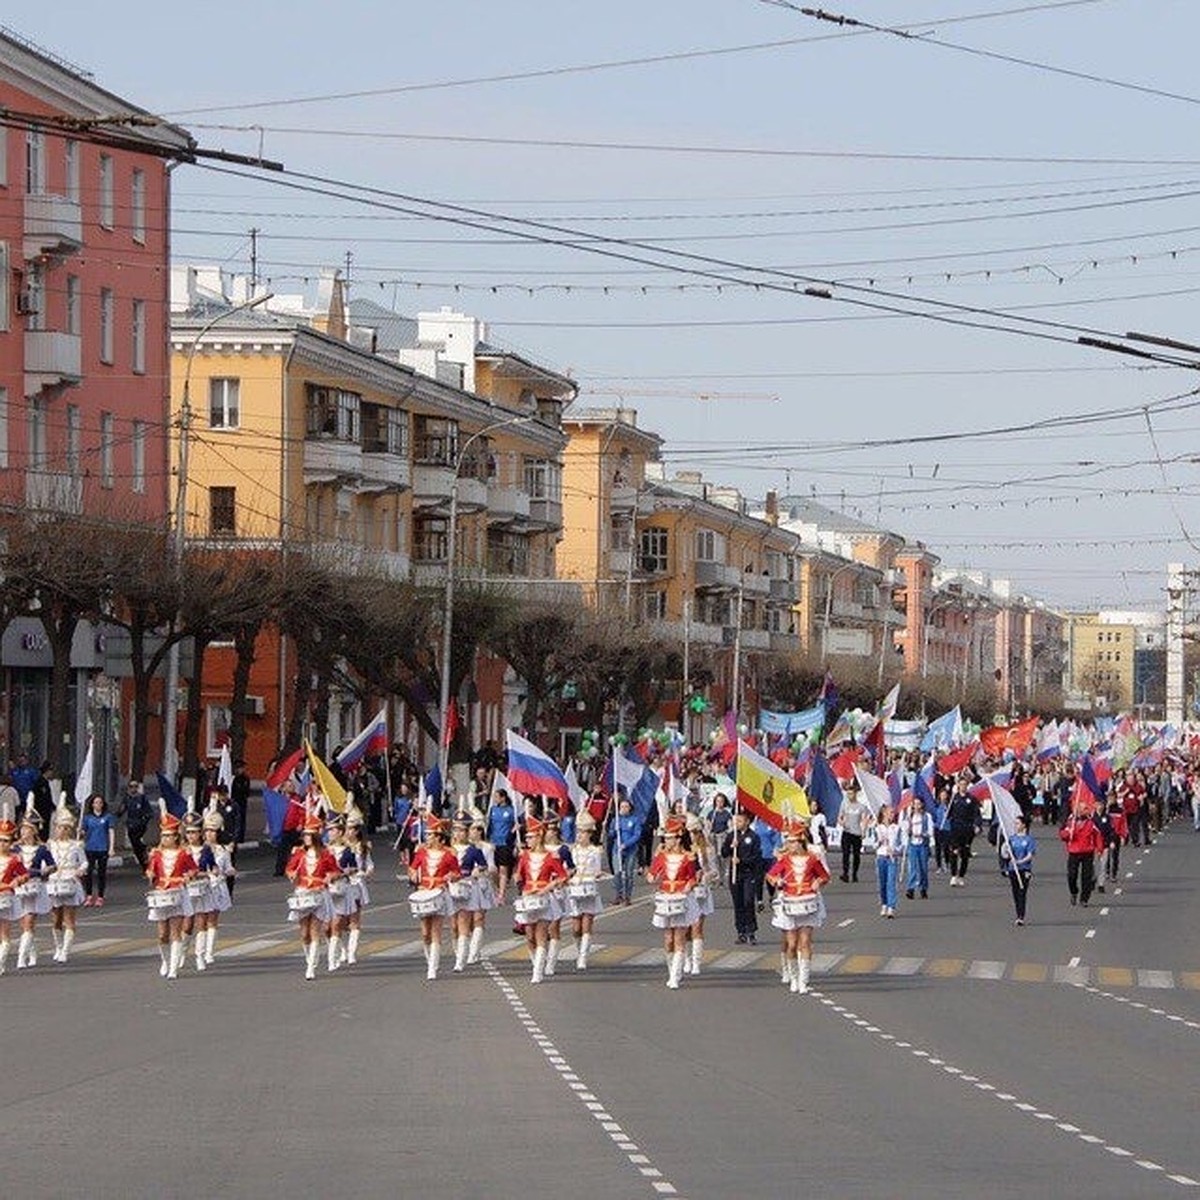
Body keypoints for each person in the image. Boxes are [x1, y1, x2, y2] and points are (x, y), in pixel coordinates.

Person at [765, 818, 831, 995]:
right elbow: (770, 875)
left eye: (792, 841)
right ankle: (793, 977)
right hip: (790, 903)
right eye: (788, 841)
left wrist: (818, 882)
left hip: (808, 903)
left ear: (801, 840)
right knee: (792, 944)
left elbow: (825, 876)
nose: (789, 844)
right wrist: (776, 881)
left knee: (805, 942)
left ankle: (804, 980)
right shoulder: (785, 860)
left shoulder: (812, 859)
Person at [286, 810, 341, 981]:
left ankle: (311, 967)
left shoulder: (326, 854)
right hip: (302, 892)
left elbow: (335, 871)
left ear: (316, 836)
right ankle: (309, 958)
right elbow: (289, 868)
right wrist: (291, 874)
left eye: (310, 835)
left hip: (319, 893)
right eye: (305, 835)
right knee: (304, 933)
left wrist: (330, 876)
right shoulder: (299, 854)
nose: (306, 838)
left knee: (315, 930)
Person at [145, 805, 198, 981]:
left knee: (176, 932)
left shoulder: (184, 853)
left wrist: (188, 876)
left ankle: (173, 968)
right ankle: (165, 961)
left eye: (169, 835)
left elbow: (193, 869)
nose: (165, 839)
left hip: (177, 893)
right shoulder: (156, 855)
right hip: (161, 893)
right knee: (162, 934)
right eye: (163, 836)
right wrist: (150, 874)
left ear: (176, 836)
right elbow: (150, 871)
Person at [514, 815, 568, 984]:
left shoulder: (551, 857)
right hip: (528, 897)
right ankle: (536, 962)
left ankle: (538, 972)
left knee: (541, 934)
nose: (527, 840)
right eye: (526, 837)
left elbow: (562, 877)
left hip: (544, 898)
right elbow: (519, 876)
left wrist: (547, 887)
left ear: (539, 836)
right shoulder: (525, 856)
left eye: (530, 836)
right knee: (529, 936)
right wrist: (518, 879)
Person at [646, 816, 699, 990]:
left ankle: (675, 976)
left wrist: (688, 887)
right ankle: (672, 970)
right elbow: (652, 875)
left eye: (669, 837)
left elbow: (693, 878)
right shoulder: (661, 856)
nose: (666, 841)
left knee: (679, 938)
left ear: (678, 838)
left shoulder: (689, 857)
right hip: (665, 899)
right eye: (665, 838)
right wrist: (652, 876)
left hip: (681, 899)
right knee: (668, 939)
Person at [407, 815, 460, 981]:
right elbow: (412, 868)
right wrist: (413, 874)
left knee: (436, 930)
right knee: (425, 933)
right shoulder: (421, 852)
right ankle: (430, 959)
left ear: (438, 836)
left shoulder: (449, 855)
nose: (427, 837)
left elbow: (457, 874)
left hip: (439, 893)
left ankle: (433, 968)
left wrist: (451, 876)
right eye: (427, 834)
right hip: (424, 891)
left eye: (430, 834)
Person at [15, 806, 54, 970]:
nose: (24, 832)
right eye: (22, 829)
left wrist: (47, 870)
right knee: (23, 923)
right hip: (18, 888)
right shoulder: (15, 849)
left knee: (30, 920)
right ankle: (32, 952)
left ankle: (21, 958)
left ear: (33, 831)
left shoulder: (42, 849)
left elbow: (53, 865)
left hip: (34, 886)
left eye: (27, 829)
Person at [46, 806, 86, 963]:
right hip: (54, 881)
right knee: (56, 919)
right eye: (57, 827)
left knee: (69, 919)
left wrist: (80, 871)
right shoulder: (51, 845)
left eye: (62, 828)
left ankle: (65, 951)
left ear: (68, 829)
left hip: (70, 880)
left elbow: (84, 863)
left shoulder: (76, 845)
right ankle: (58, 945)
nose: (59, 830)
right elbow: (45, 862)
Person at [449, 815, 488, 973]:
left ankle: (460, 961)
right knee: (453, 926)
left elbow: (483, 865)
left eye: (462, 830)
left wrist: (476, 871)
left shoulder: (474, 850)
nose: (459, 833)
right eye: (456, 830)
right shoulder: (448, 850)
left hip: (466, 887)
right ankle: (459, 953)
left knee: (464, 922)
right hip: (450, 887)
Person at [565, 811, 604, 971]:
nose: (580, 836)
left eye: (583, 833)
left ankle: (583, 956)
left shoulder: (595, 851)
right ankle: (579, 948)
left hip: (588, 887)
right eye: (579, 832)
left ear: (589, 834)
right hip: (574, 887)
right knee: (575, 928)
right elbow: (566, 868)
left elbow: (597, 870)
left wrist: (596, 875)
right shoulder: (572, 850)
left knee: (587, 922)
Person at [199, 808, 235, 966]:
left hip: (217, 887)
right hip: (201, 887)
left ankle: (209, 952)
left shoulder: (223, 851)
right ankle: (198, 953)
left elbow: (229, 869)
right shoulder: (198, 850)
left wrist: (227, 872)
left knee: (212, 920)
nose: (209, 834)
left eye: (213, 831)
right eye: (207, 831)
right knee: (200, 921)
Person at [721, 809, 763, 945]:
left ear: (747, 821)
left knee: (748, 901)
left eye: (739, 821)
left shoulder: (754, 837)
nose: (736, 823)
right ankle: (741, 932)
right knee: (738, 903)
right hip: (735, 875)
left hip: (748, 874)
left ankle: (751, 931)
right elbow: (723, 853)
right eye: (735, 821)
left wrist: (742, 861)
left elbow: (756, 857)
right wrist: (730, 846)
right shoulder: (731, 836)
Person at [685, 814, 718, 976]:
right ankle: (686, 959)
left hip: (701, 891)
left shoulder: (708, 849)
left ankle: (696, 962)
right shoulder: (684, 850)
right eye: (689, 832)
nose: (692, 835)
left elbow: (715, 873)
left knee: (697, 926)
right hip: (686, 891)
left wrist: (704, 875)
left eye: (694, 832)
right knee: (685, 929)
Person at [1060, 800, 1106, 907]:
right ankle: (1074, 892)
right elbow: (1063, 835)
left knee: (1086, 877)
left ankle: (1084, 899)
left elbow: (1098, 836)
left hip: (1087, 852)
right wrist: (1068, 833)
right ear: (1078, 810)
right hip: (1074, 852)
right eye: (1084, 808)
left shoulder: (1091, 823)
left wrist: (1100, 849)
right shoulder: (1070, 821)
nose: (1086, 810)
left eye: (1086, 808)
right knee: (1071, 875)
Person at [0, 812, 30, 975]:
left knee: (4, 933)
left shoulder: (14, 860)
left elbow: (25, 874)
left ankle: (1, 963)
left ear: (11, 842)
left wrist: (18, 881)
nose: (2, 844)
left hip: (4, 898)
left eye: (6, 841)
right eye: (0, 840)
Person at [342, 813, 374, 966]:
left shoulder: (363, 847)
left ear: (356, 831)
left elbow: (369, 864)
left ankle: (351, 953)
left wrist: (367, 872)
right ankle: (342, 950)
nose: (348, 832)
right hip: (341, 885)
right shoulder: (340, 846)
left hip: (357, 884)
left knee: (354, 919)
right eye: (346, 829)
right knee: (340, 922)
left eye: (350, 829)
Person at [80, 794, 116, 907]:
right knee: (88, 872)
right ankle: (89, 895)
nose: (98, 805)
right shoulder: (87, 818)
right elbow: (83, 832)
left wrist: (111, 848)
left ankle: (100, 896)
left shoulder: (107, 817)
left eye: (100, 802)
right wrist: (80, 832)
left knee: (101, 873)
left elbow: (111, 832)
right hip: (90, 847)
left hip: (102, 848)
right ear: (92, 804)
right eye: (96, 802)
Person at [607, 796, 642, 906]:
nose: (624, 808)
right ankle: (618, 895)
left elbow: (637, 835)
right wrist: (613, 829)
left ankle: (628, 897)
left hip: (630, 850)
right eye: (622, 807)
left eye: (626, 806)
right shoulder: (616, 820)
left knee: (628, 874)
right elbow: (611, 835)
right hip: (617, 850)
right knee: (617, 873)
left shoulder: (635, 820)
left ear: (630, 808)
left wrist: (626, 844)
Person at [1002, 814, 1036, 925]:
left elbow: (1030, 855)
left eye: (1017, 823)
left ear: (1024, 825)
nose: (1015, 825)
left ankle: (1021, 916)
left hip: (1024, 869)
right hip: (1013, 869)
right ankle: (1018, 914)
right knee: (1015, 892)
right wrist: (1005, 850)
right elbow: (1006, 855)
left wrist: (1020, 862)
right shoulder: (1011, 839)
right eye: (1015, 823)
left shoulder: (1029, 839)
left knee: (1022, 892)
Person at [946, 779, 979, 886]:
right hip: (955, 828)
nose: (963, 786)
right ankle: (953, 875)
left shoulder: (972, 799)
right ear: (958, 786)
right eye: (961, 785)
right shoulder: (954, 798)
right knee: (954, 852)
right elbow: (948, 813)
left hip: (967, 829)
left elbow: (976, 813)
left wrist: (977, 825)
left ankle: (961, 876)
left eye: (965, 785)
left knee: (964, 854)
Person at [485, 789, 517, 902]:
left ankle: (501, 895)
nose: (495, 799)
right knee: (493, 870)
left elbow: (517, 824)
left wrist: (514, 831)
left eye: (497, 797)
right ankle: (499, 888)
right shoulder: (493, 810)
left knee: (503, 869)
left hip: (505, 843)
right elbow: (489, 826)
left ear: (503, 798)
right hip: (493, 843)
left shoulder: (512, 810)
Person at [872, 804, 902, 918]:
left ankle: (891, 907)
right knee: (882, 883)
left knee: (891, 882)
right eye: (890, 813)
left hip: (892, 858)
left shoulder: (896, 828)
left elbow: (900, 845)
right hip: (881, 857)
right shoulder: (878, 828)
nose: (892, 815)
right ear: (884, 813)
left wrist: (894, 850)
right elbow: (874, 846)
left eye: (893, 813)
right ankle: (884, 904)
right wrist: (879, 842)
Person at [902, 794, 933, 900]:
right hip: (912, 845)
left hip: (923, 845)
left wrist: (923, 834)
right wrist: (908, 831)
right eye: (915, 804)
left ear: (922, 805)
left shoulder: (927, 816)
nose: (917, 806)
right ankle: (910, 888)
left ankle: (923, 888)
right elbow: (905, 830)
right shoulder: (909, 816)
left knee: (923, 867)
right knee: (913, 867)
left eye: (919, 804)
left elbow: (930, 831)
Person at [118, 780, 153, 870]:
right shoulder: (127, 798)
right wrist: (119, 813)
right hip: (131, 825)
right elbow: (121, 810)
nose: (133, 788)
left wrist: (144, 820)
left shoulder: (141, 798)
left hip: (140, 825)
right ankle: (144, 863)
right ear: (128, 788)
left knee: (136, 841)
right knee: (135, 846)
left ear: (137, 787)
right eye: (131, 786)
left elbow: (149, 812)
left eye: (135, 786)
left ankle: (144, 852)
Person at [837, 781, 868, 883]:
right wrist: (842, 822)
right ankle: (845, 873)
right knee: (845, 853)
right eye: (848, 794)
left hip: (857, 833)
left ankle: (854, 874)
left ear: (855, 794)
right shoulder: (844, 804)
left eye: (851, 793)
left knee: (856, 855)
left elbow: (864, 820)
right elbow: (839, 817)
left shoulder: (861, 807)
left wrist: (863, 831)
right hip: (847, 832)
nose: (850, 795)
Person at [230, 759, 251, 845]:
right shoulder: (233, 778)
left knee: (241, 819)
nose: (241, 770)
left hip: (242, 801)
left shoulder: (245, 778)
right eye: (239, 768)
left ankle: (240, 837)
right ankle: (234, 836)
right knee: (233, 819)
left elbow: (247, 791)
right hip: (234, 801)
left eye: (242, 768)